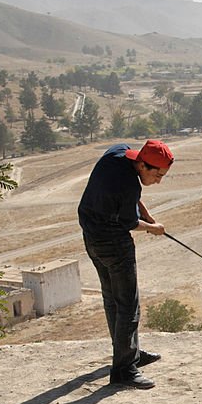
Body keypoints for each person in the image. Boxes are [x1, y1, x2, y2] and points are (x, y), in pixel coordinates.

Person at [78, 139, 174, 389]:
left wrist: (147, 213)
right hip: (113, 244)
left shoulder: (119, 153)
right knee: (129, 306)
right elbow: (129, 223)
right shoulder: (128, 184)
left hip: (91, 237)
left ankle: (129, 354)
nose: (159, 180)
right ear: (142, 165)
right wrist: (153, 228)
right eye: (158, 175)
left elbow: (132, 199)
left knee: (112, 300)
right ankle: (124, 371)